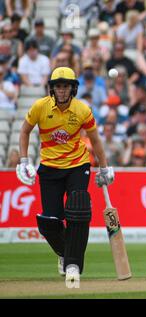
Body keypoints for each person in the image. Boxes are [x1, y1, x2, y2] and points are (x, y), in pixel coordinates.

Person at [15, 67, 115, 283]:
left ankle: (73, 264)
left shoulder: (82, 110)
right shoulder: (40, 106)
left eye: (65, 86)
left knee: (78, 209)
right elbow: (24, 131)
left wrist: (104, 167)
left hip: (78, 165)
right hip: (49, 167)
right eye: (58, 86)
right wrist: (23, 161)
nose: (61, 90)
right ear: (52, 88)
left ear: (73, 88)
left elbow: (95, 140)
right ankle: (64, 253)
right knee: (50, 222)